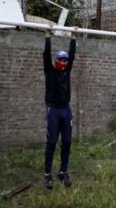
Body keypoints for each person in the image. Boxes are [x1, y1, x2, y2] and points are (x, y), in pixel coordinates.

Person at [43, 29, 76, 189]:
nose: (63, 62)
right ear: (56, 60)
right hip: (53, 111)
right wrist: (48, 37)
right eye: (60, 59)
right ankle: (47, 174)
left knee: (68, 141)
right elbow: (46, 56)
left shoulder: (67, 72)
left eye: (65, 60)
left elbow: (72, 56)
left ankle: (63, 171)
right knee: (52, 142)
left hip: (66, 110)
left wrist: (73, 38)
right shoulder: (49, 71)